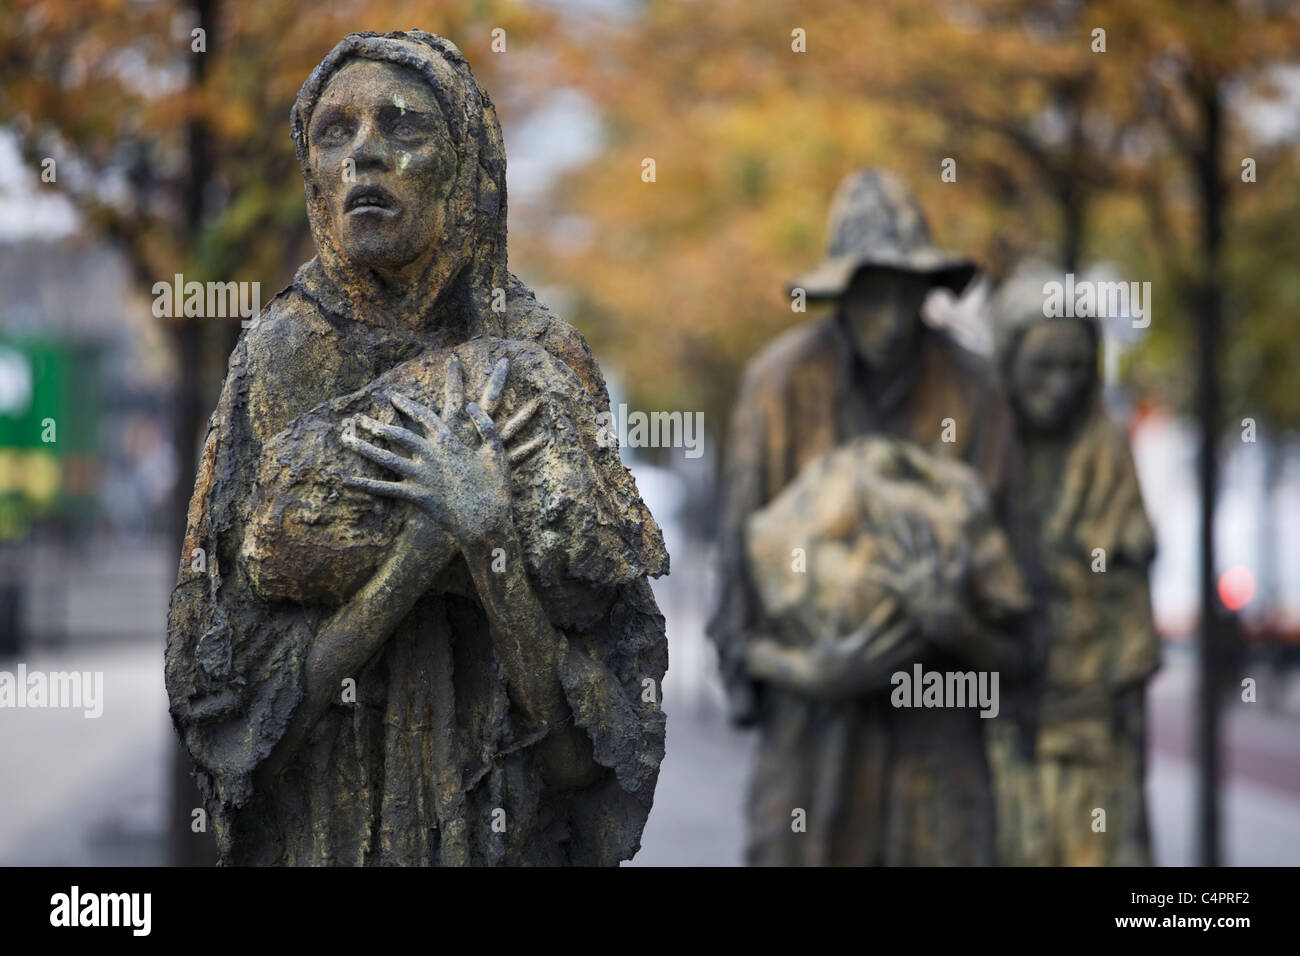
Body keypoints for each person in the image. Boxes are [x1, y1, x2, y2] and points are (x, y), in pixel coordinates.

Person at [165, 31, 668, 866]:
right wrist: (418, 556)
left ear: (466, 167)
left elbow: (588, 754)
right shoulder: (276, 359)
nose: (365, 154)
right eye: (335, 132)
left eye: (404, 128)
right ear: (313, 176)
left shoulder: (540, 361)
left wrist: (491, 545)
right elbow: (239, 731)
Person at [708, 169, 1028, 864]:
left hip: (939, 736)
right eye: (869, 297)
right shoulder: (781, 385)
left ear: (926, 293)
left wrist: (958, 627)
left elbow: (1024, 639)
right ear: (841, 297)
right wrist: (811, 673)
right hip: (811, 735)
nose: (888, 320)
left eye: (904, 296)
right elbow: (736, 609)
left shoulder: (976, 392)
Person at [986, 264, 1160, 866]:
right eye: (1042, 366)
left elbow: (1131, 614)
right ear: (1007, 364)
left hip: (1091, 737)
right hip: (998, 733)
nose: (1060, 385)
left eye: (1076, 368)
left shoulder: (1108, 455)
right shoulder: (978, 452)